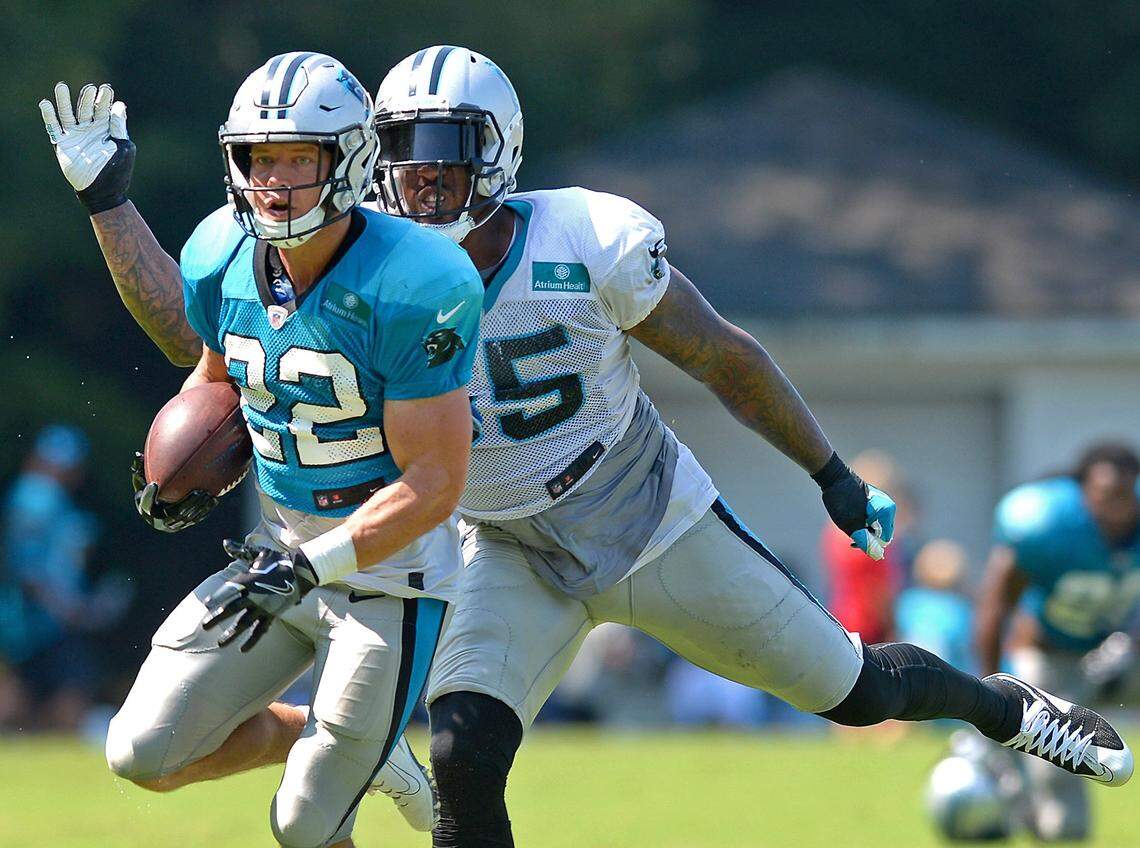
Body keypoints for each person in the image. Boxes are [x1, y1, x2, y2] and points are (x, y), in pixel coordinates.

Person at [46, 46, 1135, 847]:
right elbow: (220, 337)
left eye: (445, 157)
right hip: (496, 541)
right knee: (466, 750)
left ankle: (1011, 708)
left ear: (501, 155)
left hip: (645, 512)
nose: (419, 180)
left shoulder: (586, 242)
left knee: (851, 688)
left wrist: (832, 474)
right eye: (404, 157)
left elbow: (724, 357)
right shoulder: (353, 259)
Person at [40, 52, 483, 848]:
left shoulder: (418, 277)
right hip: (278, 550)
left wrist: (318, 565)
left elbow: (437, 481)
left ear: (348, 160)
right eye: (258, 158)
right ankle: (333, 740)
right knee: (140, 752)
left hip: (390, 575)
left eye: (296, 158)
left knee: (304, 825)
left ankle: (355, 752)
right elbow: (211, 371)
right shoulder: (221, 251)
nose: (273, 180)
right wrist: (181, 467)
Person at [974, 443, 1140, 841]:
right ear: (1082, 495)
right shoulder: (1047, 528)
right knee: (1060, 790)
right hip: (1049, 656)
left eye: (1124, 494)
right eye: (1104, 495)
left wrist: (1132, 644)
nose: (1115, 506)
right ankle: (1038, 820)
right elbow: (996, 607)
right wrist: (986, 693)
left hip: (1116, 652)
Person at [0, 425, 128, 731]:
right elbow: (27, 568)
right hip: (35, 619)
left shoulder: (50, 500)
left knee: (28, 695)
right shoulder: (35, 496)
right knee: (67, 694)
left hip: (37, 618)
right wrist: (69, 608)